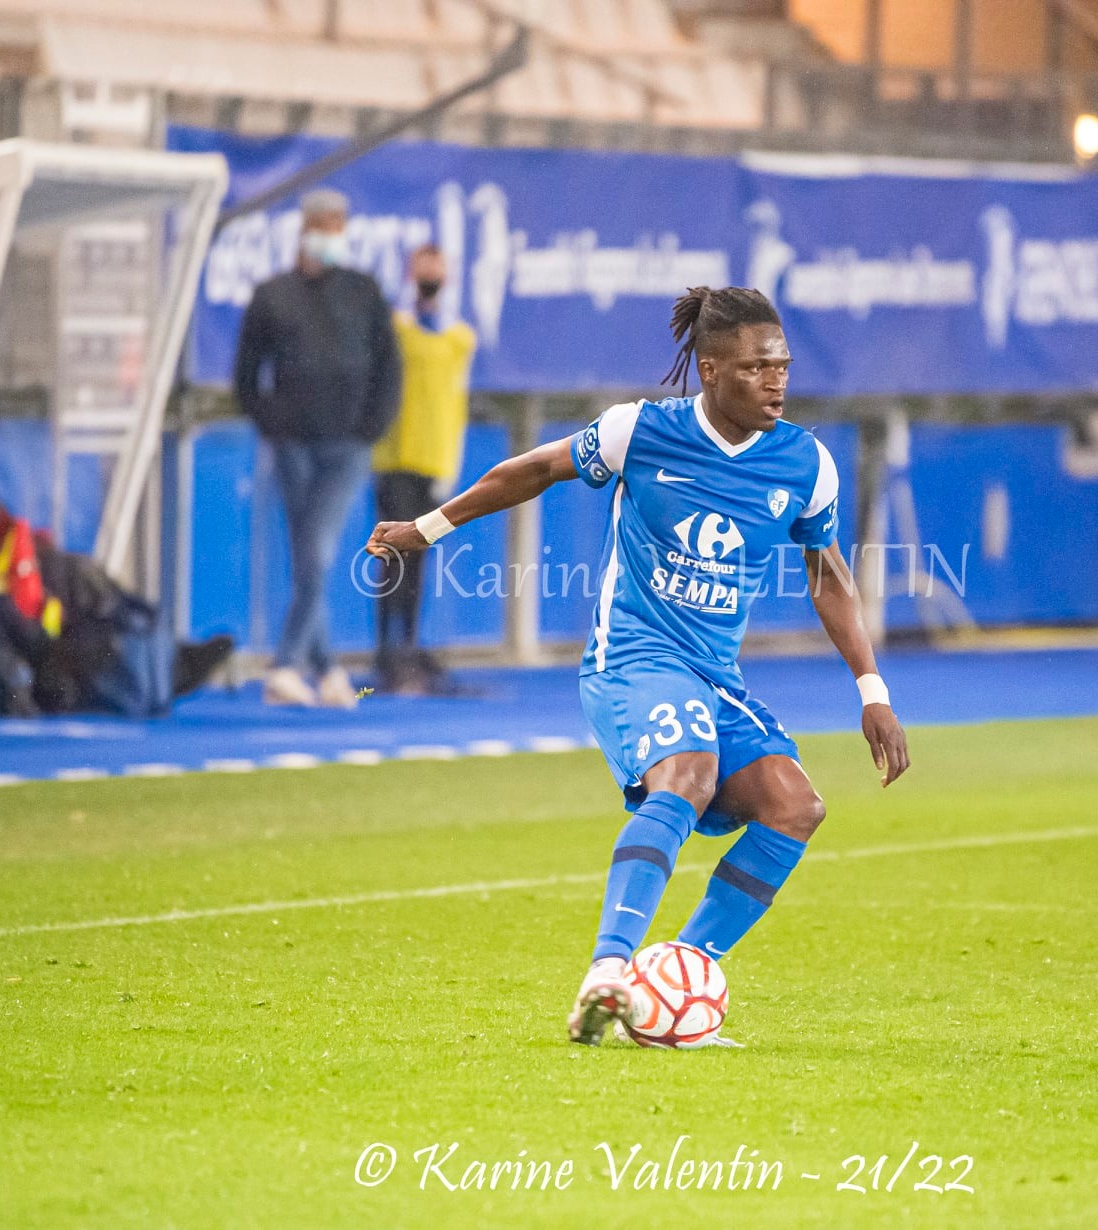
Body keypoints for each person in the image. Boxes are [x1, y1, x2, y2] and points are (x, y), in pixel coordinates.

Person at [367, 286, 911, 1046]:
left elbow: (827, 576)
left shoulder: (806, 464)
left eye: (783, 365)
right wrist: (429, 527)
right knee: (685, 773)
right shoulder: (640, 432)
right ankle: (609, 970)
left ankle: (672, 979)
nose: (778, 381)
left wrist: (872, 690)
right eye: (758, 368)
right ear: (712, 369)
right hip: (633, 658)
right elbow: (532, 469)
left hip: (716, 677)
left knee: (794, 806)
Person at [234, 188, 402, 709]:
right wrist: (271, 421)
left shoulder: (363, 291)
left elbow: (389, 368)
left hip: (347, 446)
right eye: (324, 224)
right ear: (304, 228)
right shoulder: (273, 294)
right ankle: (328, 671)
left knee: (318, 549)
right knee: (310, 558)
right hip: (293, 445)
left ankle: (284, 665)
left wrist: (370, 428)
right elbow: (245, 374)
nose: (332, 234)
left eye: (339, 224)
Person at [370, 243, 476, 693]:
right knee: (391, 557)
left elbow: (455, 405)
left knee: (419, 561)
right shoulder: (396, 330)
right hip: (396, 460)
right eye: (424, 270)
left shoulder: (458, 338)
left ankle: (407, 646)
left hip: (433, 463)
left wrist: (450, 464)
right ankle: (387, 650)